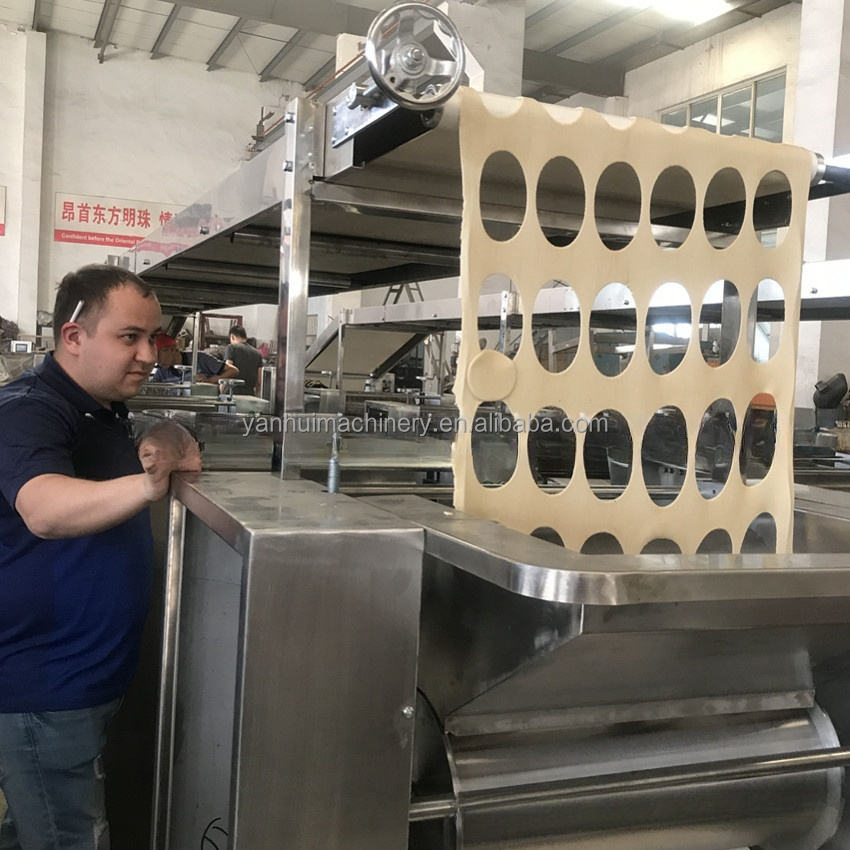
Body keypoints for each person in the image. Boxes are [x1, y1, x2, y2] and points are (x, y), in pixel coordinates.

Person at [0, 263, 201, 849]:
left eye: (153, 338)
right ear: (74, 336)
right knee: (69, 837)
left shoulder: (100, 406)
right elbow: (44, 508)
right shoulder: (28, 409)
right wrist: (148, 486)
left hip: (86, 677)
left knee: (35, 828)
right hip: (45, 688)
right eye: (129, 337)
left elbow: (149, 446)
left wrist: (167, 436)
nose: (148, 355)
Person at [150, 333, 238, 384]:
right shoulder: (161, 371)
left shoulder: (200, 359)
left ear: (173, 350)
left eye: (158, 355)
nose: (156, 360)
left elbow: (233, 370)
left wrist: (210, 380)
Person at [223, 325, 263, 396]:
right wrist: (256, 396)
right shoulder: (257, 353)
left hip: (232, 394)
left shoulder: (231, 348)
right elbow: (259, 381)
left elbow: (227, 371)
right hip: (249, 395)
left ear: (232, 336)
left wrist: (222, 390)